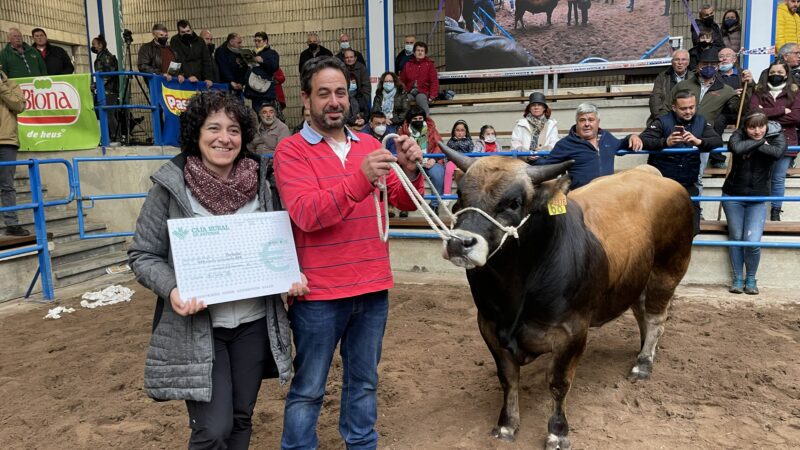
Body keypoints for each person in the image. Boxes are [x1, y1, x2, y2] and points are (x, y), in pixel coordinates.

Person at [128, 90, 308, 449]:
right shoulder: (170, 188)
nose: (224, 138)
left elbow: (280, 242)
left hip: (254, 324)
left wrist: (292, 272)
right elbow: (143, 255)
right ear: (196, 133)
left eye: (233, 130)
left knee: (241, 419)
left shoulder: (264, 183)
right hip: (199, 329)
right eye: (213, 128)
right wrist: (173, 290)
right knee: (213, 429)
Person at [272, 56, 424, 450]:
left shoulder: (371, 146)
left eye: (340, 92)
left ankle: (361, 444)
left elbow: (404, 203)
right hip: (319, 295)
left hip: (372, 289)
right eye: (323, 94)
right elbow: (306, 213)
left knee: (364, 381)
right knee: (308, 387)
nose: (334, 101)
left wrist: (412, 168)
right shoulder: (290, 152)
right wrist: (360, 179)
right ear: (305, 99)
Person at [639, 90, 723, 235]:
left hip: (688, 185)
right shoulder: (661, 121)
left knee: (693, 228)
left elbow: (717, 141)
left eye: (692, 107)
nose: (688, 111)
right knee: (662, 229)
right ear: (674, 108)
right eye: (683, 108)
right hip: (662, 186)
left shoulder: (701, 121)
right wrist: (665, 142)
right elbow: (644, 140)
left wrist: (699, 141)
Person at [722, 109, 785, 295]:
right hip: (733, 195)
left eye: (760, 127)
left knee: (752, 241)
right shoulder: (737, 134)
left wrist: (752, 144)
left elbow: (777, 153)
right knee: (736, 239)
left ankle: (751, 278)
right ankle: (737, 279)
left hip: (758, 197)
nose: (757, 131)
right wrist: (760, 144)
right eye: (752, 127)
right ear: (745, 127)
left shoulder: (776, 134)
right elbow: (736, 148)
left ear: (766, 126)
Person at [532, 102, 643, 190]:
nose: (587, 124)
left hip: (608, 197)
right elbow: (547, 164)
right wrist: (529, 161)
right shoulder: (565, 144)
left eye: (591, 120)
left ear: (598, 122)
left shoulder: (607, 137)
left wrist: (631, 136)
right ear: (576, 122)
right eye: (582, 120)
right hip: (581, 200)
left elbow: (621, 143)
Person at [672, 49, 742, 175]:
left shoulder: (726, 90)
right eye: (705, 64)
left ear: (718, 66)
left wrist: (750, 86)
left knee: (697, 176)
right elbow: (668, 106)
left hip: (702, 136)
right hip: (679, 134)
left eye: (713, 65)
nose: (709, 67)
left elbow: (739, 109)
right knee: (673, 174)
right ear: (698, 66)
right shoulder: (682, 85)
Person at [750, 61, 800, 221]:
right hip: (761, 140)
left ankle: (776, 211)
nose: (776, 75)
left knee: (778, 178)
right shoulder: (758, 91)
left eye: (779, 72)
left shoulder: (796, 92)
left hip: (786, 140)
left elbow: (796, 117)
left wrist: (765, 114)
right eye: (772, 72)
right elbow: (753, 113)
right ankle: (758, 210)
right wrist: (780, 110)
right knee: (761, 176)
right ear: (767, 73)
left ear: (786, 74)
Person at [399, 105, 445, 213]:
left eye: (420, 119)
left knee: (438, 173)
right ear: (410, 120)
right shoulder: (402, 131)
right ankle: (405, 204)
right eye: (415, 119)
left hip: (429, 160)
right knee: (403, 175)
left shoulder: (432, 130)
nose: (418, 121)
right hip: (411, 162)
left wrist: (434, 159)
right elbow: (400, 149)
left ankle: (434, 205)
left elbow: (439, 145)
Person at [0, 67, 28, 236]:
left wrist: (1, 87)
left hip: (7, 141)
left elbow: (19, 106)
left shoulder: (11, 84)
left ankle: (12, 224)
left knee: (7, 186)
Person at [249, 101, 290, 211]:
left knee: (275, 186)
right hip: (257, 165)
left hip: (275, 166)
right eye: (265, 112)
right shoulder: (256, 130)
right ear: (260, 115)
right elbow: (250, 148)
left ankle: (278, 210)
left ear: (275, 114)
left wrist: (269, 162)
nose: (268, 115)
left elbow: (283, 152)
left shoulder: (282, 128)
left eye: (271, 112)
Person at [649, 49, 694, 123]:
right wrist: (660, 118)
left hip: (687, 116)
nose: (680, 63)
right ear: (672, 62)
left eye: (683, 60)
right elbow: (655, 99)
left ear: (688, 62)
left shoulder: (693, 77)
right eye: (677, 59)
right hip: (666, 115)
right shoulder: (662, 77)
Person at [511, 92, 559, 160]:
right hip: (524, 161)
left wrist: (542, 152)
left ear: (544, 108)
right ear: (530, 108)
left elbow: (554, 143)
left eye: (539, 105)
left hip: (545, 160)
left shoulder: (552, 124)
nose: (536, 107)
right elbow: (515, 142)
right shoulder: (520, 124)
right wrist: (527, 154)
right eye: (533, 105)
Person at [169, 20, 214, 87]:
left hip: (200, 78)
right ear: (179, 32)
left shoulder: (200, 41)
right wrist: (187, 75)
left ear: (191, 29)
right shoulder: (175, 40)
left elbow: (206, 60)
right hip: (183, 78)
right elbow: (177, 59)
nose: (186, 33)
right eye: (183, 32)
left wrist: (208, 78)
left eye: (188, 31)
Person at [91, 35, 120, 141]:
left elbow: (108, 74)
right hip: (105, 90)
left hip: (109, 90)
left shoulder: (106, 57)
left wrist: (96, 84)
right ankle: (109, 137)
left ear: (100, 45)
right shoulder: (101, 56)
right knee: (104, 113)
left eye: (94, 44)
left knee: (108, 114)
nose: (92, 46)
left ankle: (116, 137)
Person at [244, 32, 280, 114]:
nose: (256, 43)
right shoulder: (254, 53)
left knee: (266, 114)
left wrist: (263, 61)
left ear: (265, 41)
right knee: (258, 114)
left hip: (265, 91)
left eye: (259, 41)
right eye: (255, 41)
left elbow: (274, 67)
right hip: (254, 91)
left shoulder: (272, 53)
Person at [399, 41, 438, 115]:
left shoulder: (429, 65)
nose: (420, 52)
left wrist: (432, 96)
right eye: (418, 50)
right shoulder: (408, 64)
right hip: (409, 92)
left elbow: (434, 82)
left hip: (423, 92)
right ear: (414, 52)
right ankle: (405, 122)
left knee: (420, 98)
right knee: (404, 99)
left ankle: (427, 121)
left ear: (425, 53)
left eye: (422, 51)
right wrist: (402, 91)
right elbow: (401, 81)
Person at [342, 48, 370, 118]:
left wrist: (363, 101)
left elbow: (366, 86)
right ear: (344, 59)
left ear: (355, 58)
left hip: (360, 98)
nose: (349, 59)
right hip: (346, 98)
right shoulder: (341, 69)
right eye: (347, 57)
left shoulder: (361, 68)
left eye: (351, 57)